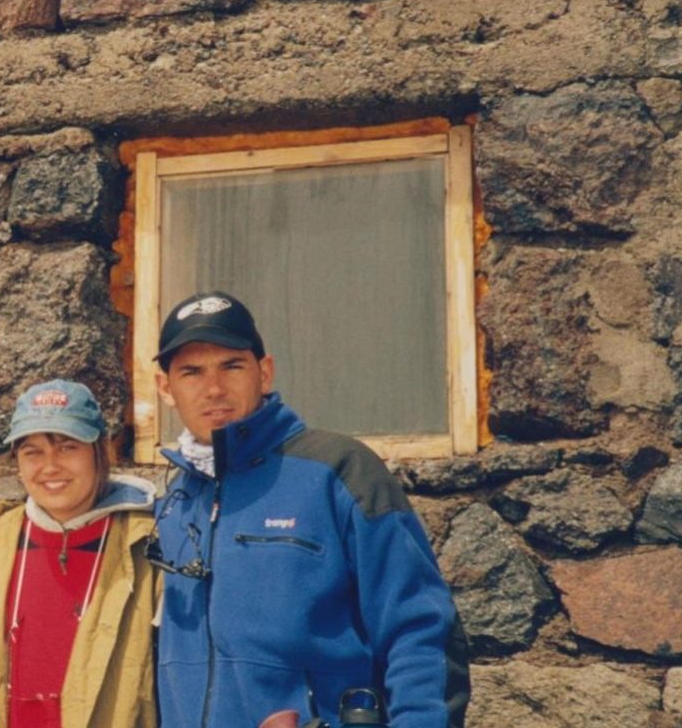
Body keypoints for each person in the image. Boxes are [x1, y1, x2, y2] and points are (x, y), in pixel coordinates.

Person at [148, 291, 469, 727]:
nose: (214, 388)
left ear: (264, 372)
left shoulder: (338, 471)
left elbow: (420, 628)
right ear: (165, 388)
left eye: (232, 365)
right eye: (191, 372)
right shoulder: (175, 502)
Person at [0, 379, 160, 728]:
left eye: (68, 447)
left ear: (100, 452)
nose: (50, 466)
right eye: (32, 452)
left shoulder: (146, 545)